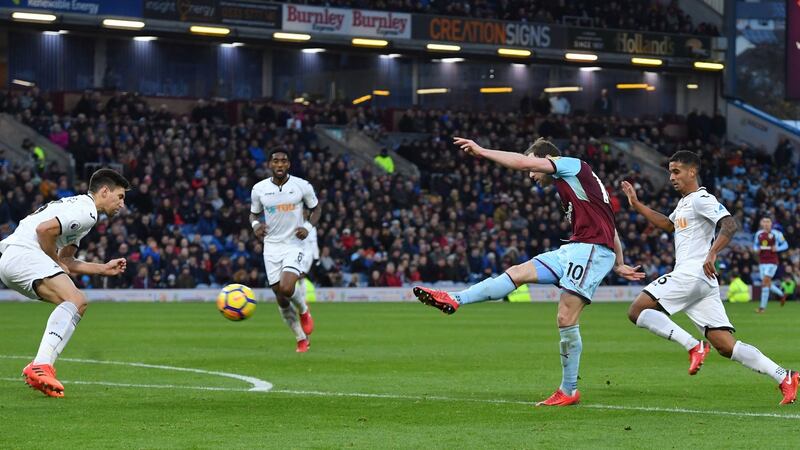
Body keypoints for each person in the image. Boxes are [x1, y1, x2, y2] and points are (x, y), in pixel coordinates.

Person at [413, 137, 644, 406]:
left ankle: (569, 390)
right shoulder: (574, 184)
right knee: (517, 272)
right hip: (576, 248)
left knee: (565, 317)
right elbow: (610, 224)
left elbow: (522, 162)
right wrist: (619, 261)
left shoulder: (571, 165)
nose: (531, 173)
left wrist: (481, 150)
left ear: (546, 159)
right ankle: (455, 298)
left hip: (590, 250)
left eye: (534, 165)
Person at [621, 150, 798, 405]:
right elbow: (669, 225)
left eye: (676, 171)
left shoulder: (702, 199)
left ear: (692, 171)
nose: (671, 177)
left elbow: (729, 224)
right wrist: (637, 205)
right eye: (670, 171)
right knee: (726, 346)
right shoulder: (685, 202)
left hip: (692, 272)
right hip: (701, 282)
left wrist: (712, 253)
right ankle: (785, 376)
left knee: (637, 310)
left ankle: (694, 346)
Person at [0, 168, 130, 398]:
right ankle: (40, 365)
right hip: (24, 255)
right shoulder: (86, 211)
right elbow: (44, 230)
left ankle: (41, 368)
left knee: (75, 303)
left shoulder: (82, 212)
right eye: (120, 197)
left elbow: (65, 260)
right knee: (76, 299)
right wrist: (53, 261)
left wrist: (102, 268)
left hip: (13, 259)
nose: (122, 204)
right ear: (104, 191)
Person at [250, 149, 321, 353]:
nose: (279, 164)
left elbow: (317, 209)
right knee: (280, 297)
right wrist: (256, 226)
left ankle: (304, 310)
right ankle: (300, 338)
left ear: (288, 164)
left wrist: (307, 228)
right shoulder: (259, 189)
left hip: (293, 244)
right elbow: (253, 214)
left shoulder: (301, 186)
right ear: (270, 165)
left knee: (287, 288)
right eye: (275, 161)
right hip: (271, 247)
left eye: (283, 161)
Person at [752, 217, 789, 312]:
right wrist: (756, 249)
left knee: (765, 282)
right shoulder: (758, 234)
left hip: (772, 262)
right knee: (766, 283)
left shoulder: (777, 234)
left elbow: (785, 244)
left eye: (768, 221)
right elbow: (755, 245)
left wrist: (777, 248)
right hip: (762, 261)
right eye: (764, 221)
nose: (766, 223)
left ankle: (762, 308)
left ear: (771, 223)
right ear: (761, 223)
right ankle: (782, 294)